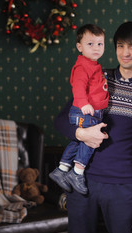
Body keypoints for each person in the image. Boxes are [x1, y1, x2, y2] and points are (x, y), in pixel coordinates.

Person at [54, 21, 132, 233]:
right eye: (120, 45)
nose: (125, 52)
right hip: (81, 181)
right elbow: (60, 121)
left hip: (123, 188)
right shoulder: (97, 76)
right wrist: (82, 134)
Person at [49, 24, 109, 195]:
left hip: (90, 111)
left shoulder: (93, 65)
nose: (96, 48)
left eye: (100, 44)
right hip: (85, 110)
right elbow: (78, 86)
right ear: (79, 47)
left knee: (78, 141)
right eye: (90, 44)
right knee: (90, 140)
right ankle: (77, 173)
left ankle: (61, 169)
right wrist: (84, 104)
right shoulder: (83, 66)